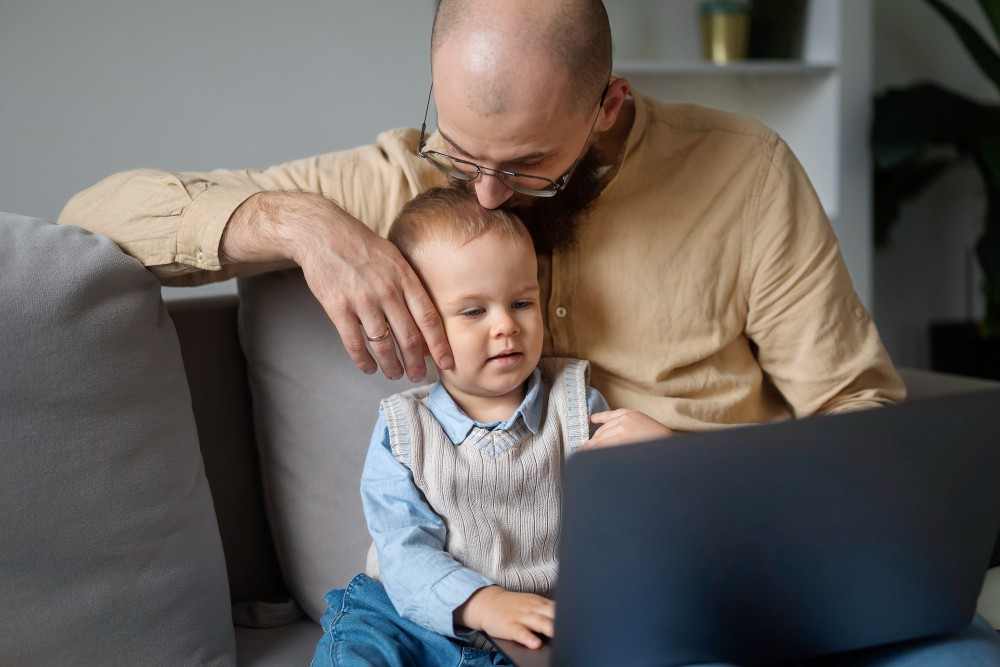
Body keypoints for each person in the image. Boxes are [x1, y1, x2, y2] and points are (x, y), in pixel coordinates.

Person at [58, 0, 1000, 663]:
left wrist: (697, 466)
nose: (482, 193)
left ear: (607, 105)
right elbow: (94, 215)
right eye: (460, 150)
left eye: (525, 167)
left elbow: (861, 417)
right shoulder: (410, 180)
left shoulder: (744, 175)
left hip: (728, 571)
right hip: (529, 620)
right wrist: (300, 225)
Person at [313, 187, 612, 666]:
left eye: (522, 303)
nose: (506, 326)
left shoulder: (577, 407)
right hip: (410, 618)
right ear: (416, 326)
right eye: (474, 311)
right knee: (358, 646)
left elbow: (626, 522)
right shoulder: (404, 430)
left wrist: (652, 452)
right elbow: (403, 548)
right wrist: (481, 602)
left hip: (533, 626)